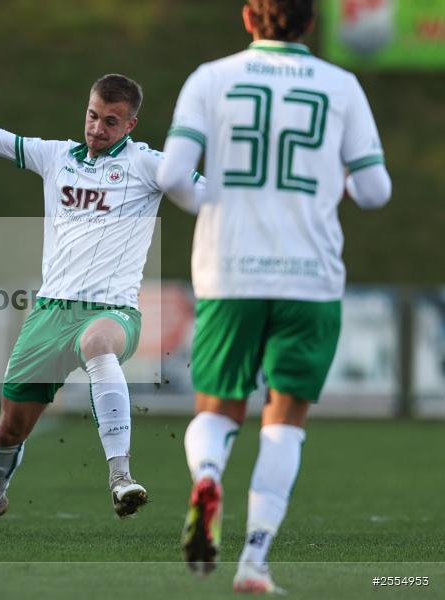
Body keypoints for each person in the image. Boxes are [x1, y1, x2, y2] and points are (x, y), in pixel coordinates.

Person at [156, 0, 392, 593]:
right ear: (311, 23)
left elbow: (173, 177)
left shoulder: (211, 78)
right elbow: (375, 191)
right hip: (309, 277)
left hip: (230, 272)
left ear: (246, 18)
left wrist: (222, 203)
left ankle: (208, 475)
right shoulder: (341, 85)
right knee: (285, 422)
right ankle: (254, 562)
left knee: (217, 407)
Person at [0, 59, 204, 532]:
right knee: (11, 426)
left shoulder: (147, 164)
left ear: (130, 124)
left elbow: (207, 193)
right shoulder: (57, 156)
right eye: (93, 115)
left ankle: (121, 477)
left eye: (110, 120)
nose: (97, 127)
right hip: (50, 312)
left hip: (113, 311)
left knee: (98, 345)